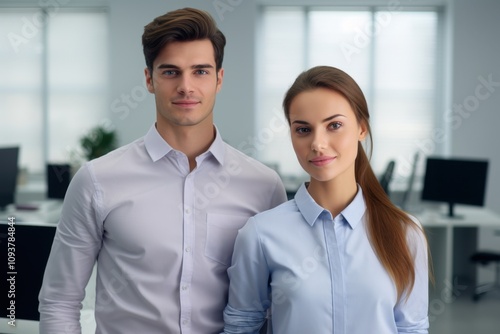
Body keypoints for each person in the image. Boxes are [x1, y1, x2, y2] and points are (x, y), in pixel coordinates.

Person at [38, 7, 287, 334]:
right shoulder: (96, 180)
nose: (186, 86)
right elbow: (60, 300)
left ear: (219, 79)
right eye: (171, 72)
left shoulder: (264, 186)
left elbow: (276, 303)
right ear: (149, 79)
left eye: (200, 71)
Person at [222, 66, 430, 334]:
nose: (318, 144)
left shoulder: (406, 233)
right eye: (303, 130)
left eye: (334, 125)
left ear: (362, 128)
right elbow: (242, 327)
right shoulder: (261, 234)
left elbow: (411, 329)